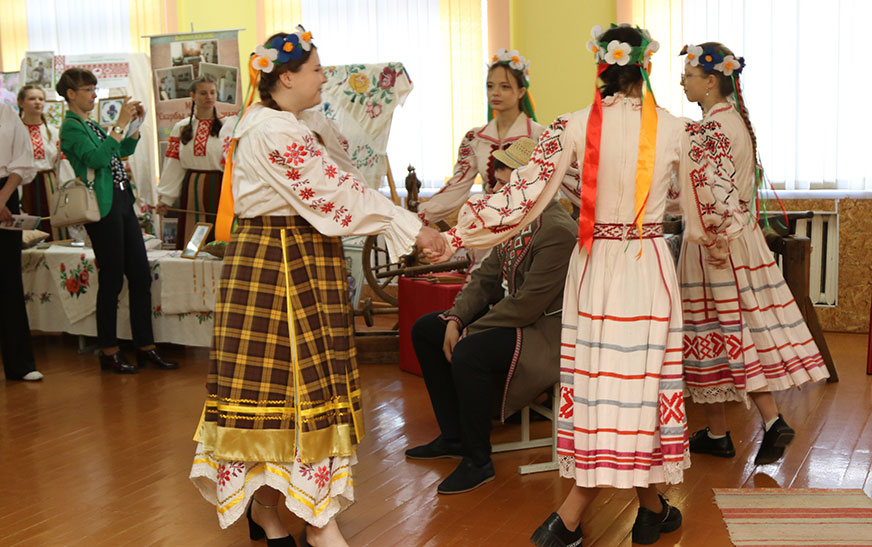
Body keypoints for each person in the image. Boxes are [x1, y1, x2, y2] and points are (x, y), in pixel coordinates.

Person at [426, 24, 689, 546]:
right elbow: (699, 207)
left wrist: (453, 234)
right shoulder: (678, 129)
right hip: (648, 266)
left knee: (602, 388)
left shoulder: (570, 126)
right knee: (637, 388)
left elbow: (521, 196)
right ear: (646, 66)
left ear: (600, 65)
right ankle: (636, 512)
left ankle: (613, 515)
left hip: (595, 267)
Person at [188, 27, 443, 547]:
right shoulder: (271, 131)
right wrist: (412, 228)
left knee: (299, 390)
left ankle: (276, 511)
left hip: (300, 258)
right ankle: (311, 521)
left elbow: (346, 177)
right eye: (317, 69)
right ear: (285, 78)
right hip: (278, 265)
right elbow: (335, 192)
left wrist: (407, 222)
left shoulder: (295, 123)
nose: (324, 77)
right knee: (284, 392)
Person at [675, 43, 829, 465]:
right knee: (727, 330)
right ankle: (726, 430)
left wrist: (712, 234)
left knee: (717, 330)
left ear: (711, 81)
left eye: (688, 76)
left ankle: (760, 422)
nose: (682, 82)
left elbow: (708, 195)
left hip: (716, 243)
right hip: (739, 236)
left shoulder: (710, 130)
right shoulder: (733, 122)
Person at [406, 137, 577, 494]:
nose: (496, 191)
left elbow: (528, 304)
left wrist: (470, 331)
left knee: (470, 351)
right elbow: (485, 279)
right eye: (496, 184)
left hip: (546, 334)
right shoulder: (514, 220)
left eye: (503, 184)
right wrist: (455, 320)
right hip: (519, 320)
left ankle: (478, 460)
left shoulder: (558, 231)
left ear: (530, 184)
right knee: (428, 329)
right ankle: (455, 436)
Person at [56, 67, 178, 374]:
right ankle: (108, 350)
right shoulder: (70, 127)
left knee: (139, 274)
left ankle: (145, 345)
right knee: (111, 279)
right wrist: (120, 124)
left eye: (94, 89)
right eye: (88, 90)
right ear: (71, 94)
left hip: (121, 200)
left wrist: (134, 126)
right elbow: (97, 159)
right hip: (102, 206)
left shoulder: (91, 123)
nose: (94, 95)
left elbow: (119, 152)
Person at [156, 74, 226, 249]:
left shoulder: (227, 126)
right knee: (191, 236)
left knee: (218, 233)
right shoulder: (180, 128)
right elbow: (173, 164)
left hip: (219, 187)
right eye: (203, 93)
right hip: (191, 188)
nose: (209, 97)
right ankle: (191, 261)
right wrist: (166, 198)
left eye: (212, 92)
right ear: (192, 96)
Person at [0, 103, 42, 382]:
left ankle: (20, 364)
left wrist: (2, 197)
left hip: (5, 191)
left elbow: (22, 160)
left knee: (8, 279)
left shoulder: (5, 112)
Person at [17, 84, 75, 241]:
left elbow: (61, 163)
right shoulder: (14, 131)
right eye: (32, 99)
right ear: (21, 103)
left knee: (54, 224)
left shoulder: (53, 132)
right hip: (23, 185)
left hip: (49, 184)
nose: (37, 102)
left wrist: (68, 187)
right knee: (28, 230)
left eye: (41, 99)